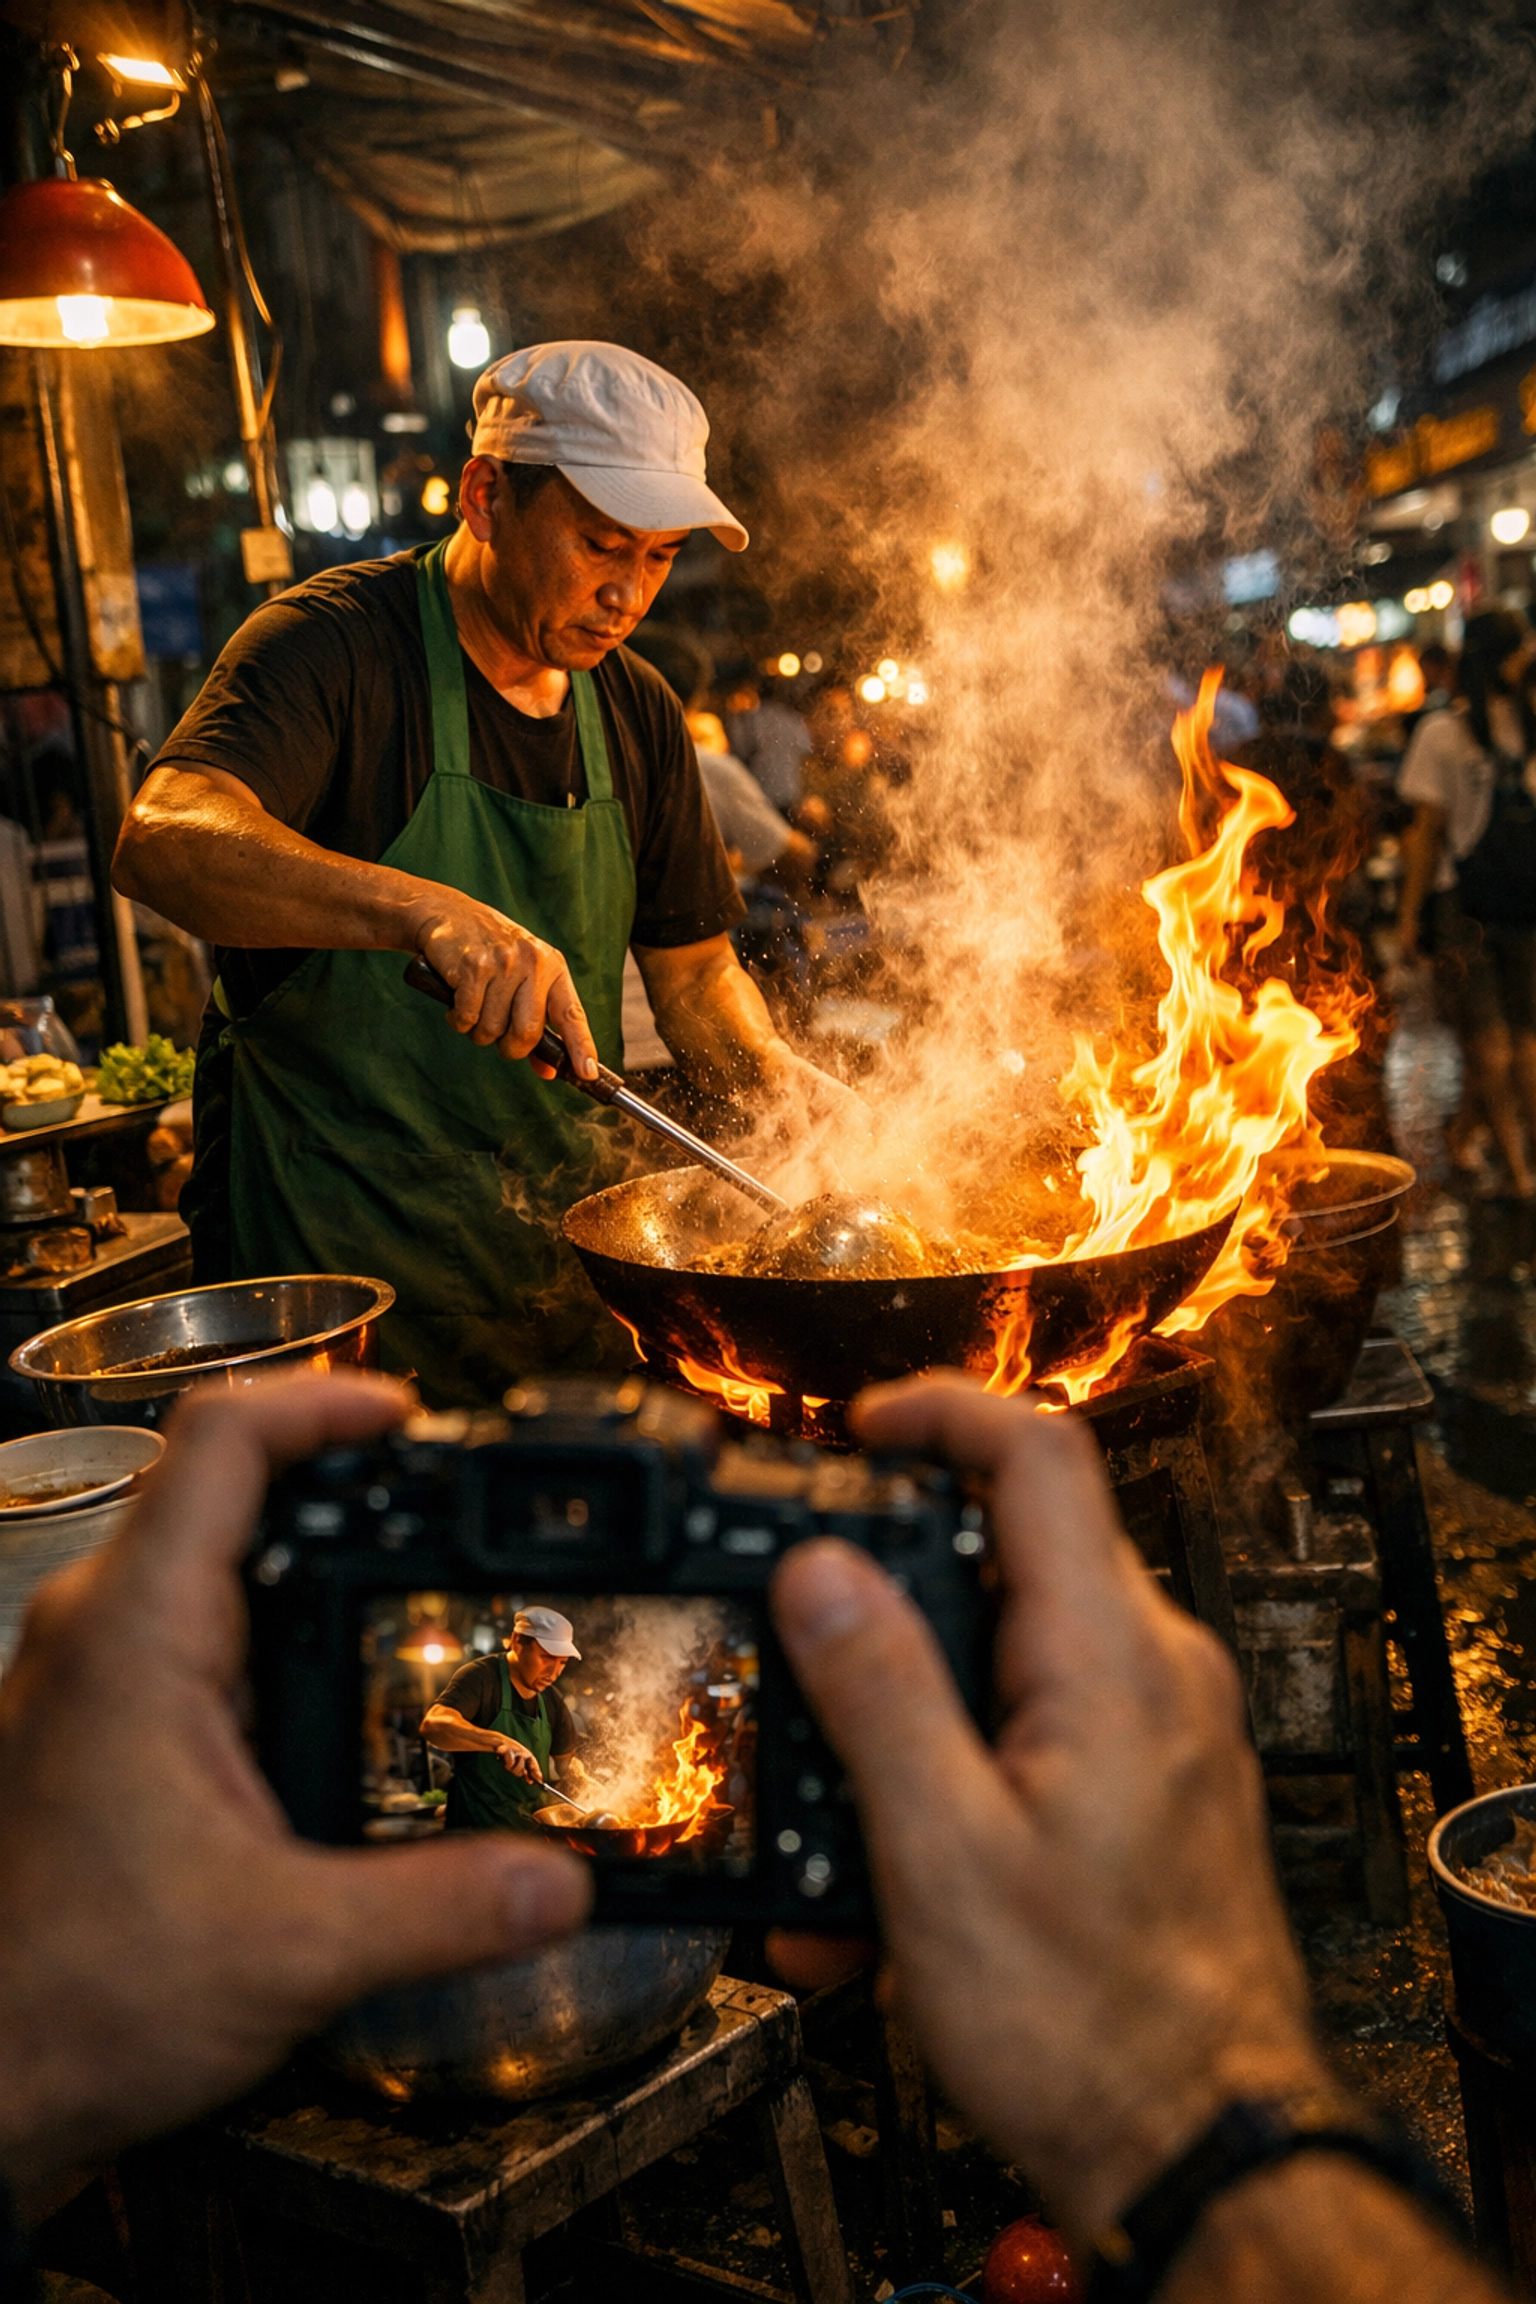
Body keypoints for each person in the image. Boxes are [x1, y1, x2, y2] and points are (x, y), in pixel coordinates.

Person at [0, 1368, 1500, 2304]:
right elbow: (455, 1734)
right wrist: (1189, 2107)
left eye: (546, 1662)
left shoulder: (551, 1681)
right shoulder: (464, 1686)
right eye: (536, 1657)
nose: (545, 1670)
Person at [112, 342, 853, 1405]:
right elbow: (164, 835)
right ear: (486, 495)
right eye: (602, 545)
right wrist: (422, 910)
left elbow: (693, 980)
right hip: (332, 1306)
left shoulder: (637, 710)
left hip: (551, 1281)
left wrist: (776, 1078)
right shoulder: (333, 646)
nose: (628, 592)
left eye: (658, 557)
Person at [1397, 607, 1536, 1197]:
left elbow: (1426, 835)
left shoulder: (1442, 732)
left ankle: (1518, 1171)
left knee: (1488, 1044)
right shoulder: (1528, 729)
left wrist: (1407, 919)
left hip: (1467, 906)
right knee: (1529, 1036)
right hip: (1529, 900)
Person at [422, 1605, 590, 1830]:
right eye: (547, 1657)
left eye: (562, 1662)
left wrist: (599, 1792)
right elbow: (433, 1725)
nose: (554, 1672)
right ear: (517, 1641)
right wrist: (499, 1742)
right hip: (476, 1834)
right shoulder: (481, 1678)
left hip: (531, 1837)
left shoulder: (552, 1699)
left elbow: (566, 1769)